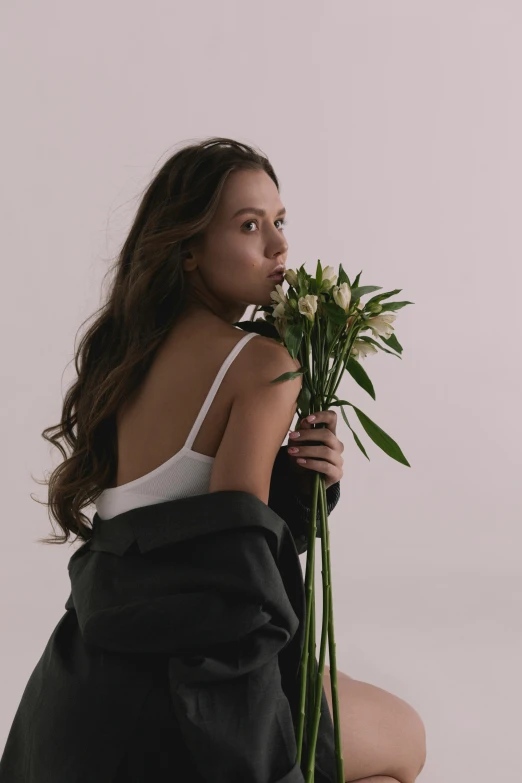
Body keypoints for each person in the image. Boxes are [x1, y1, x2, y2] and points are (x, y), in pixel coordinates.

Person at [1, 137, 426, 782]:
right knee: (406, 742)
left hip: (79, 701)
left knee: (343, 704)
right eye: (249, 225)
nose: (278, 246)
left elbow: (196, 522)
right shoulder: (262, 361)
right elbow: (237, 579)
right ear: (189, 250)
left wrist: (303, 480)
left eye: (279, 221)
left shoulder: (128, 357)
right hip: (178, 708)